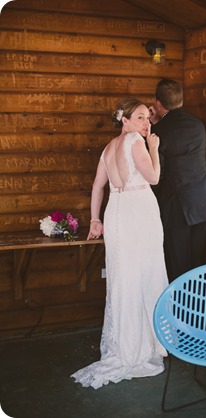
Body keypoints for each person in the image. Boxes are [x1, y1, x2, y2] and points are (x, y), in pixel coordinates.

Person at [71, 98, 169, 389]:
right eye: (139, 118)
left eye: (147, 117)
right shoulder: (135, 143)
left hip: (115, 212)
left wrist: (94, 219)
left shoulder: (107, 148)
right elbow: (153, 177)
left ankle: (126, 342)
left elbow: (97, 186)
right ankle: (144, 345)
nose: (145, 123)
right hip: (138, 211)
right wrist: (154, 149)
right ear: (124, 121)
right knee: (145, 273)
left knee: (124, 277)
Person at [149, 78, 206, 282]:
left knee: (177, 266)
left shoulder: (159, 132)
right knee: (198, 265)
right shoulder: (197, 124)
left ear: (158, 104)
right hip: (203, 204)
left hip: (176, 207)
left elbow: (157, 176)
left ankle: (179, 311)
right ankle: (198, 311)